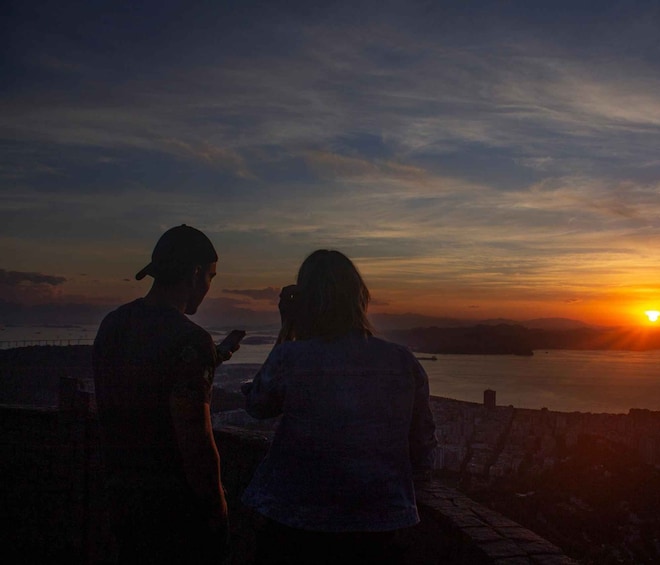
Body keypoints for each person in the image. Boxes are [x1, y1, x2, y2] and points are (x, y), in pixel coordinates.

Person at [241, 249, 437, 564]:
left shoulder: (291, 357)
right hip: (380, 525)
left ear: (306, 302)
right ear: (360, 297)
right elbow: (422, 444)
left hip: (295, 521)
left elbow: (257, 405)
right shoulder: (402, 361)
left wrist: (287, 329)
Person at [92, 224, 233, 565]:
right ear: (196, 273)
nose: (209, 287)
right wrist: (218, 509)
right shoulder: (189, 340)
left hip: (120, 498)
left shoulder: (113, 323)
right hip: (174, 513)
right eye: (211, 276)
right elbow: (195, 439)